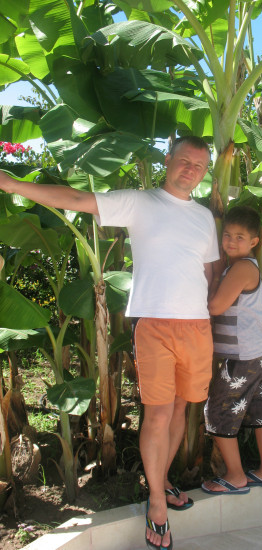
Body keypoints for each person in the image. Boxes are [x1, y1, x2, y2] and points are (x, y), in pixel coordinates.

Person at [0, 135, 219, 550]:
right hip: (155, 324)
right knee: (158, 414)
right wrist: (11, 184)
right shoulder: (141, 202)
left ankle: (162, 480)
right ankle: (157, 502)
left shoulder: (204, 217)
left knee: (179, 409)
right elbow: (76, 199)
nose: (191, 170)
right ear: (168, 160)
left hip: (197, 327)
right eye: (185, 160)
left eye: (200, 165)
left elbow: (208, 271)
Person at [201, 205, 262, 496]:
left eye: (240, 237)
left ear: (254, 242)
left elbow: (215, 306)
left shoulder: (242, 268)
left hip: (241, 356)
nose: (231, 242)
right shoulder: (240, 266)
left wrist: (209, 281)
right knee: (259, 412)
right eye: (227, 235)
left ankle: (235, 476)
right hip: (256, 352)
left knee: (217, 412)